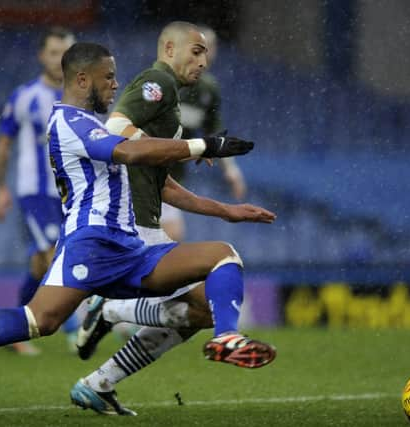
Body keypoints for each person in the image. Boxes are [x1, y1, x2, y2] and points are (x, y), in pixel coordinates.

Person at [0, 42, 272, 409]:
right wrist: (202, 145)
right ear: (83, 79)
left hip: (132, 249)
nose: (116, 84)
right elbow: (128, 152)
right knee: (38, 322)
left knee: (222, 258)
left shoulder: (90, 123)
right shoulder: (67, 122)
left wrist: (224, 208)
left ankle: (222, 337)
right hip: (92, 245)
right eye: (109, 77)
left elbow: (151, 171)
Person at [70, 22, 276, 416]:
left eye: (206, 54)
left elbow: (164, 185)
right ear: (168, 48)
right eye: (195, 52)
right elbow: (113, 130)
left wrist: (226, 210)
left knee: (200, 308)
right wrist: (191, 146)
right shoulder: (156, 82)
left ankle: (99, 383)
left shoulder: (170, 105)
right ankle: (223, 336)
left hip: (146, 225)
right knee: (224, 258)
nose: (203, 61)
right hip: (129, 227)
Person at [0, 27, 78, 354]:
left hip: (70, 194)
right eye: (54, 53)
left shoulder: (80, 98)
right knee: (52, 256)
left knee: (40, 267)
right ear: (42, 55)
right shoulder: (24, 96)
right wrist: (1, 188)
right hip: (35, 193)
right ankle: (76, 330)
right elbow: (3, 145)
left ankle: (13, 332)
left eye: (65, 53)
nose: (59, 60)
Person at [162, 24, 247, 241]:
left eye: (210, 48)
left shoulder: (208, 89)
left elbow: (215, 132)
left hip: (173, 178)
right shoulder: (163, 80)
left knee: (171, 238)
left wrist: (231, 169)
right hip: (144, 173)